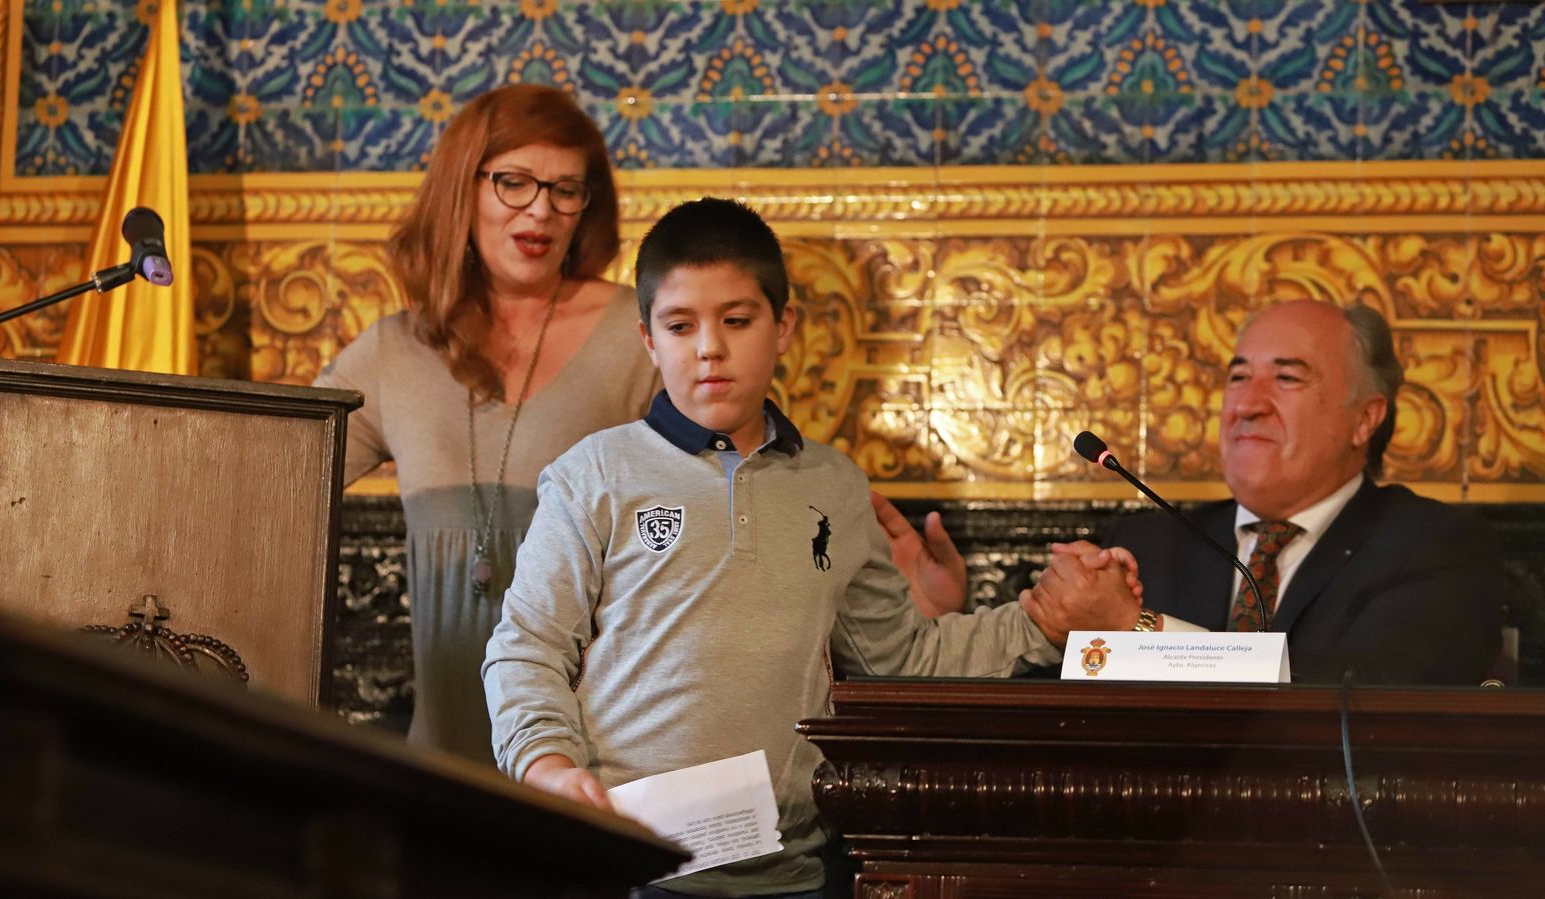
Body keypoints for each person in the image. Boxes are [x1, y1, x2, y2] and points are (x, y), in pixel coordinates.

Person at [482, 198, 1132, 898]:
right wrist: (546, 764)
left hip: (791, 874)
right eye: (680, 325)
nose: (709, 348)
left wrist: (1042, 623)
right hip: (627, 865)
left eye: (737, 320)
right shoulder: (594, 474)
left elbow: (902, 658)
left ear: (782, 325)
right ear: (647, 339)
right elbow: (528, 648)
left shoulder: (835, 485)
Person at [875, 300, 1504, 685]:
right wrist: (941, 633)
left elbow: (1360, 692)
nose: (1248, 405)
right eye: (1237, 378)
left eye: (1286, 379)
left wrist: (1137, 629)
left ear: (1365, 417)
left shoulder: (1436, 546)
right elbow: (1052, 708)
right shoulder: (1151, 542)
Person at [316, 84, 660, 761]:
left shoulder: (641, 333)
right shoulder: (394, 350)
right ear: (461, 190)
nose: (542, 209)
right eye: (514, 182)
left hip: (600, 764)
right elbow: (270, 474)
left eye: (567, 189)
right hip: (446, 762)